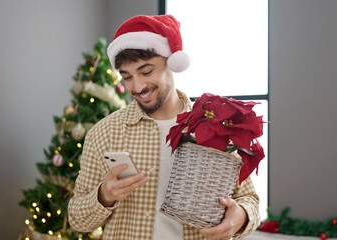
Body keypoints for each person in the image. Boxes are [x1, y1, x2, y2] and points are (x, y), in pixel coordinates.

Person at [68, 14, 260, 240]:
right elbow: (77, 219)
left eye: (147, 71)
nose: (138, 87)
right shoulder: (103, 133)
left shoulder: (215, 126)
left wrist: (241, 216)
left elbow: (250, 201)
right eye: (127, 77)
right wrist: (103, 195)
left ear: (172, 64)